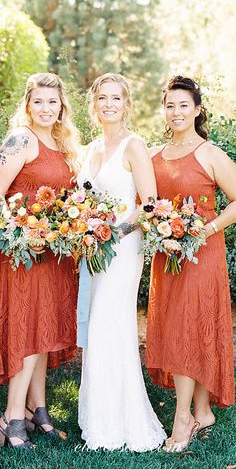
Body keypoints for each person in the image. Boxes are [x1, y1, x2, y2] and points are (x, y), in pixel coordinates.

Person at [77, 73, 167, 451]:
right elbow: (81, 200)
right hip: (93, 251)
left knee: (110, 325)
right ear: (94, 104)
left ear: (126, 104)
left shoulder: (134, 145)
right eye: (102, 98)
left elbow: (149, 203)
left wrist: (112, 232)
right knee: (98, 326)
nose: (109, 104)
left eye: (116, 98)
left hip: (122, 249)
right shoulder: (91, 147)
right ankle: (98, 418)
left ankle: (121, 422)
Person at [146, 75, 236, 452]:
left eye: (184, 105)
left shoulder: (209, 153)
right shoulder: (154, 155)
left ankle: (182, 419)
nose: (176, 111)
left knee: (188, 329)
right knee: (180, 329)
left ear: (197, 110)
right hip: (167, 259)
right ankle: (204, 412)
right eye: (170, 105)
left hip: (201, 257)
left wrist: (206, 228)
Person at [0, 72, 79, 448]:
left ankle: (37, 411)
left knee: (43, 332)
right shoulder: (21, 138)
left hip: (55, 256)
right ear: (27, 105)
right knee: (29, 331)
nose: (46, 109)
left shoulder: (61, 143)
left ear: (62, 106)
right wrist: (19, 234)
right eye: (38, 102)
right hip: (25, 255)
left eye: (53, 102)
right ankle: (12, 416)